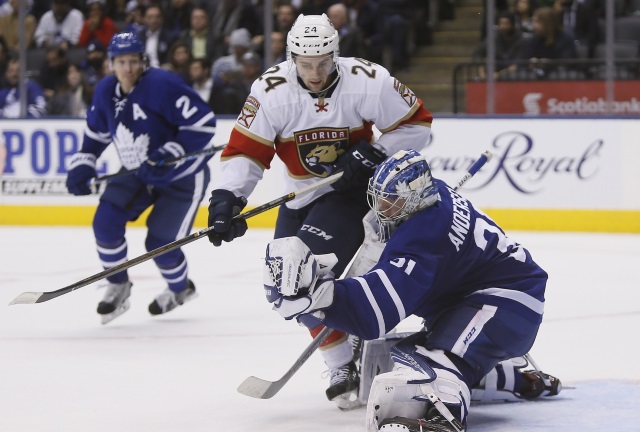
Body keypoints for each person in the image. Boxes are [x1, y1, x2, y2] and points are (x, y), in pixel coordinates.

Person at [206, 13, 432, 408]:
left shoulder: (368, 79)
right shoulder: (271, 90)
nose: (314, 72)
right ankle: (342, 356)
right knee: (282, 288)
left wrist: (374, 152)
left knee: (303, 273)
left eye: (323, 62)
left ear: (336, 54)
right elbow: (246, 152)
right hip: (299, 198)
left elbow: (419, 126)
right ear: (291, 55)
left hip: (351, 197)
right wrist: (227, 197)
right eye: (306, 63)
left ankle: (342, 359)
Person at [263, 149, 562, 431]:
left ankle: (444, 421)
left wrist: (320, 297)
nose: (381, 207)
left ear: (415, 197)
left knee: (434, 362)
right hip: (496, 300)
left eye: (390, 201)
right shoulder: (435, 195)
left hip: (503, 304)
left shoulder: (423, 238)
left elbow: (376, 312)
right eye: (379, 199)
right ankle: (527, 381)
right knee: (415, 356)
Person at [65, 32, 217, 325]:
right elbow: (95, 135)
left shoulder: (163, 84)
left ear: (142, 62)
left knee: (160, 243)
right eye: (121, 62)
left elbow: (203, 124)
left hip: (182, 176)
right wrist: (83, 164)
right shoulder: (105, 90)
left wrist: (171, 151)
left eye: (133, 61)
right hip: (139, 171)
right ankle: (118, 284)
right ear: (111, 63)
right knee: (105, 222)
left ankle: (180, 288)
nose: (128, 68)